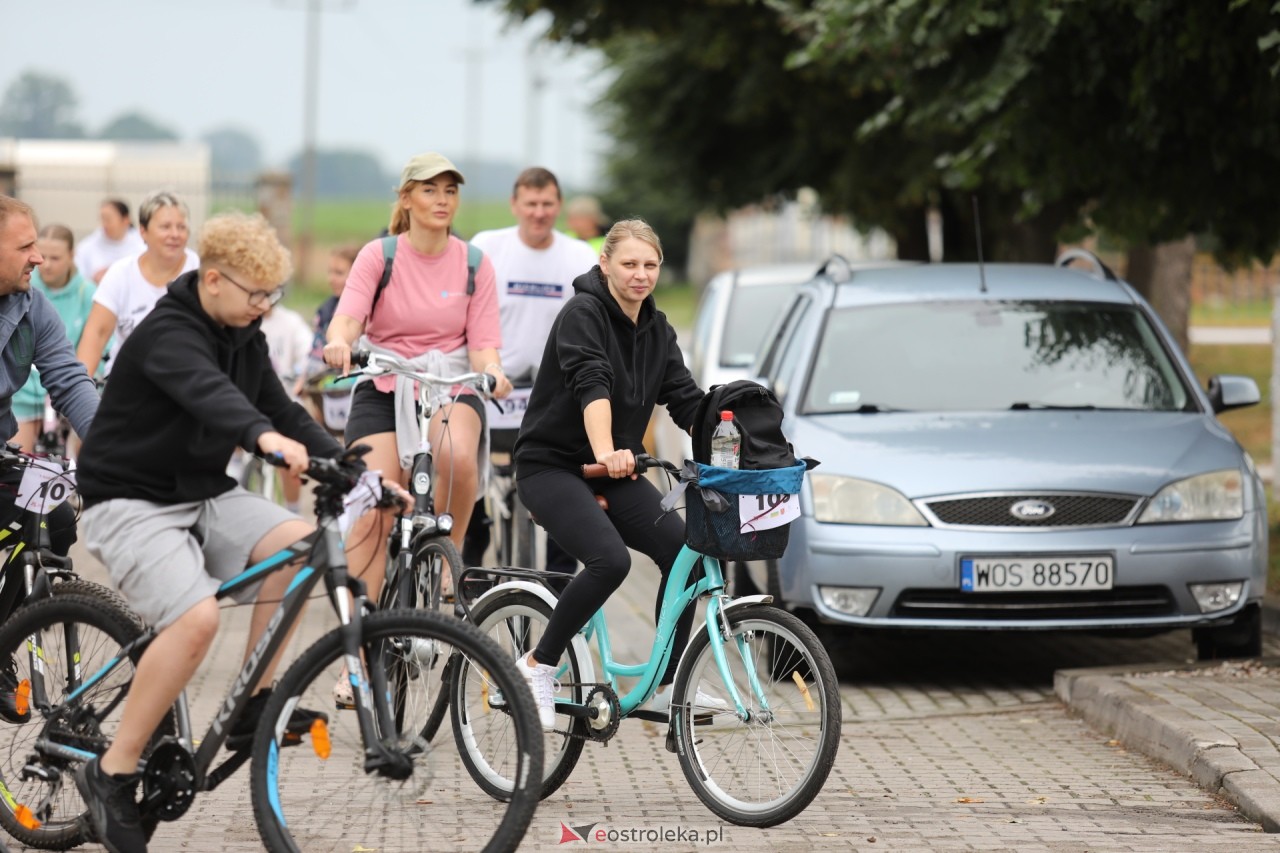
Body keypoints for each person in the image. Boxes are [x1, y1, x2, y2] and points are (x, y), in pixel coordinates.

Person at [73, 211, 348, 853]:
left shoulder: (241, 329)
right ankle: (110, 771)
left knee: (295, 545)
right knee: (196, 622)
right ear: (215, 280)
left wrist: (345, 460)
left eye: (272, 297)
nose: (265, 308)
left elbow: (277, 404)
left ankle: (253, 704)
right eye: (257, 296)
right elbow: (215, 398)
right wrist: (263, 439)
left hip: (199, 491)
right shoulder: (169, 332)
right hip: (128, 500)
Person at [510, 219, 710, 731]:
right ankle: (539, 664)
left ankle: (667, 684)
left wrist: (735, 443)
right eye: (629, 264)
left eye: (650, 265)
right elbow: (591, 384)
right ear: (605, 264)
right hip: (551, 465)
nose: (640, 275)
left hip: (610, 470)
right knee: (610, 560)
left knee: (684, 551)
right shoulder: (584, 313)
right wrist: (607, 449)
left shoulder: (658, 330)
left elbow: (685, 401)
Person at [323, 152, 512, 617]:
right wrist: (338, 342)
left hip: (449, 380)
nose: (442, 199)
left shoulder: (474, 263)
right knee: (374, 505)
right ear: (406, 198)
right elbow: (347, 320)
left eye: (450, 190)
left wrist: (495, 371)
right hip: (386, 378)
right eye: (430, 189)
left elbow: (484, 344)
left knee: (456, 456)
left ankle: (452, 556)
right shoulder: (379, 255)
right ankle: (357, 642)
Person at [463, 167, 598, 574]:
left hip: (555, 388)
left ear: (558, 205)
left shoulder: (579, 256)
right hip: (495, 380)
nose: (539, 213)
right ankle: (474, 546)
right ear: (515, 205)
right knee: (464, 458)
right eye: (531, 204)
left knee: (566, 477)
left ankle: (560, 578)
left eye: (547, 204)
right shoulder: (487, 247)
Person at [0, 196, 99, 719]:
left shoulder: (32, 306)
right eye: (25, 246)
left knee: (56, 517)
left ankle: (1, 643)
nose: (38, 257)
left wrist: (113, 451)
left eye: (39, 244)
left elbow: (67, 378)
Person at [76, 191, 199, 377]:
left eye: (181, 227)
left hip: (186, 380)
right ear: (143, 231)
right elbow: (97, 333)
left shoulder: (199, 272)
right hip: (127, 381)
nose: (175, 234)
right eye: (165, 227)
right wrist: (78, 391)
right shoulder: (121, 273)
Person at [10, 224, 97, 453]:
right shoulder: (22, 288)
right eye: (43, 255)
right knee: (16, 455)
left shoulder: (87, 293)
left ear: (72, 256)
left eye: (56, 258)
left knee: (83, 456)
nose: (45, 264)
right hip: (24, 393)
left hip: (70, 385)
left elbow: (98, 345)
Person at [259, 299, 314, 513]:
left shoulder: (290, 322)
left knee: (289, 454)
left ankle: (293, 510)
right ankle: (235, 468)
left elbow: (307, 351)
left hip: (283, 396)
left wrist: (301, 372)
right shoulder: (240, 319)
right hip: (250, 397)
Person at [74, 199, 145, 284]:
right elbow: (78, 278)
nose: (104, 224)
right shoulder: (87, 246)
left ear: (126, 220)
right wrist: (93, 280)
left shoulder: (142, 243)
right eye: (102, 219)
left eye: (108, 219)